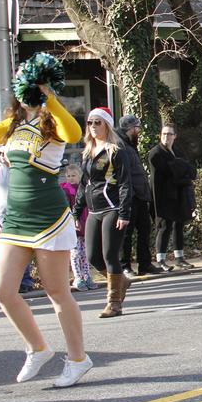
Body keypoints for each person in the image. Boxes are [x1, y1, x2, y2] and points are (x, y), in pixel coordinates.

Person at [0, 84, 92, 387]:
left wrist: (50, 99)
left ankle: (78, 359)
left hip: (48, 218)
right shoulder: (13, 125)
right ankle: (38, 348)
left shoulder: (53, 122)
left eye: (35, 89)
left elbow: (74, 135)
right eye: (25, 89)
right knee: (2, 289)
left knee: (57, 292)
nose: (29, 95)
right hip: (15, 221)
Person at [73, 108, 133, 318]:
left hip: (112, 208)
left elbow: (125, 183)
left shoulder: (115, 151)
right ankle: (121, 281)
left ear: (106, 124)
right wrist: (76, 212)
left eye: (97, 122)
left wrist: (124, 213)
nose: (93, 126)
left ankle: (114, 303)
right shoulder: (88, 151)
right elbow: (84, 184)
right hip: (94, 210)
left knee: (109, 255)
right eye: (90, 123)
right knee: (93, 257)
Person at [116, 115, 164, 277]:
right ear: (130, 129)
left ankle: (145, 264)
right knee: (127, 233)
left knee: (144, 229)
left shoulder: (130, 144)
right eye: (137, 128)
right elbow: (124, 174)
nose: (139, 131)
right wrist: (131, 194)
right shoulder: (120, 145)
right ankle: (125, 266)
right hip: (130, 196)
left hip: (140, 195)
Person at [0, 146, 36, 293]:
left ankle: (25, 280)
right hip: (4, 216)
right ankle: (11, 281)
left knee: (23, 246)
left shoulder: (22, 169)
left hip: (23, 215)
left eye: (5, 153)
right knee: (9, 249)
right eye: (0, 153)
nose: (2, 156)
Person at [148, 124, 195, 270]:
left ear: (175, 136)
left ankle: (179, 258)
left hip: (179, 195)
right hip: (163, 196)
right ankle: (161, 260)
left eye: (169, 134)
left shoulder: (178, 152)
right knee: (164, 226)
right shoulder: (155, 153)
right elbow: (169, 173)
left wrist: (181, 171)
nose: (166, 137)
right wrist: (180, 171)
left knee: (178, 225)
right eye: (163, 134)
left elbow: (190, 171)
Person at [60, 164, 95, 291]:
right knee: (75, 253)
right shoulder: (65, 190)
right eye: (68, 176)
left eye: (73, 175)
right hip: (73, 227)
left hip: (85, 224)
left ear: (80, 176)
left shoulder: (85, 188)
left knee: (85, 253)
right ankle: (77, 277)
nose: (71, 178)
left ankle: (87, 275)